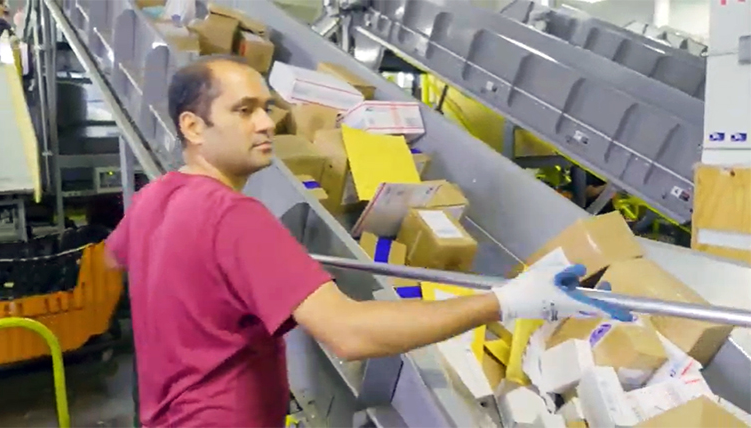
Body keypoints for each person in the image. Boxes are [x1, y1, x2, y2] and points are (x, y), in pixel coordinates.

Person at [105, 54, 633, 428]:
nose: (267, 122)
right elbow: (351, 334)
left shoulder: (152, 200)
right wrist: (506, 300)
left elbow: (120, 257)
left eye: (266, 106)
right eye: (244, 111)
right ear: (194, 127)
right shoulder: (236, 219)